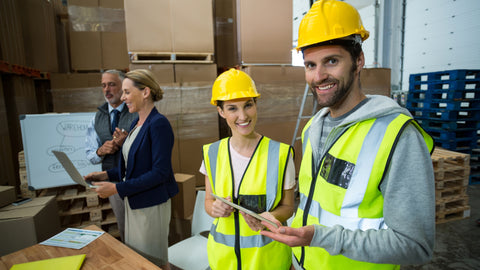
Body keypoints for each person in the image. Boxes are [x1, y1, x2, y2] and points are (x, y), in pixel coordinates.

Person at [260, 1, 436, 269]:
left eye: (331, 61)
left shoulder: (398, 136)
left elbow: (415, 246)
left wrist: (321, 238)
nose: (318, 76)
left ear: (359, 60)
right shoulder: (313, 129)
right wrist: (282, 222)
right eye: (310, 65)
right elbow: (316, 207)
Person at [200, 68, 296, 270]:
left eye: (248, 105)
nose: (243, 116)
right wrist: (214, 209)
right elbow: (209, 202)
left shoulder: (280, 154)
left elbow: (289, 207)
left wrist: (272, 217)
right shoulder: (212, 154)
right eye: (232, 108)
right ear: (221, 111)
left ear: (256, 104)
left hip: (268, 261)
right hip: (224, 261)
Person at [84, 69, 178, 270]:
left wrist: (116, 189)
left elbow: (159, 173)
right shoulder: (137, 123)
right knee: (139, 258)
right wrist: (106, 174)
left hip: (151, 206)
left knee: (153, 261)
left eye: (127, 92)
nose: (123, 97)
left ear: (145, 92)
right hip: (135, 203)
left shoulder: (158, 124)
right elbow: (133, 166)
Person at [85, 70, 137, 242]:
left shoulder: (136, 112)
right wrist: (101, 151)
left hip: (136, 178)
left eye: (112, 84)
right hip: (112, 180)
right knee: (123, 225)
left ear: (123, 87)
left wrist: (126, 144)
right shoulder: (97, 117)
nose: (107, 89)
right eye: (103, 85)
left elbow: (147, 149)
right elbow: (91, 155)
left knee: (141, 227)